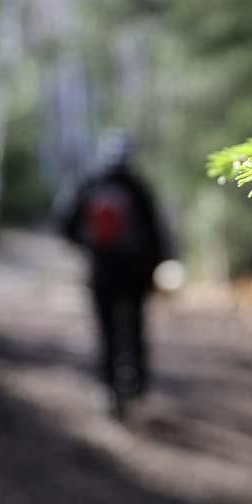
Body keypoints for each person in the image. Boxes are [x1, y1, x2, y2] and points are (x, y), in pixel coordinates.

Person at [58, 133, 172, 413]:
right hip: (135, 275)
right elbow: (157, 233)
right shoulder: (137, 188)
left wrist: (88, 248)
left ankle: (109, 388)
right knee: (134, 327)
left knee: (106, 331)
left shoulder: (90, 185)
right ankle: (137, 383)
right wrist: (156, 265)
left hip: (101, 274)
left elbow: (65, 224)